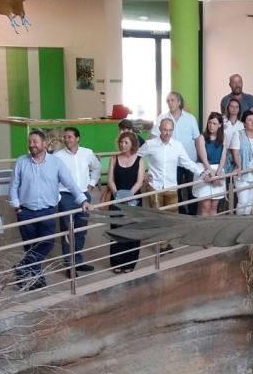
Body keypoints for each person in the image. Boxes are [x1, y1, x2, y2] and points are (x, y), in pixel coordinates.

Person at [9, 130, 91, 290]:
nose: (31, 145)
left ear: (44, 144)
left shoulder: (55, 163)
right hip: (25, 212)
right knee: (30, 247)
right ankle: (37, 279)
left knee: (47, 243)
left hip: (47, 211)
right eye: (30, 142)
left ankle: (21, 268)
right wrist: (17, 206)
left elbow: (71, 184)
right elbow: (13, 186)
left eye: (35, 142)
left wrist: (83, 200)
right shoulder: (21, 162)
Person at [138, 118, 212, 243]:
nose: (167, 133)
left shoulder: (177, 146)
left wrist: (202, 172)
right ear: (160, 130)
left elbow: (188, 163)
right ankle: (161, 246)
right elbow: (137, 157)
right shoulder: (150, 144)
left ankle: (165, 242)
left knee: (171, 217)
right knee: (157, 217)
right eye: (165, 130)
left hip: (171, 187)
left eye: (170, 130)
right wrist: (143, 174)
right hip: (155, 186)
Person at [55, 127, 101, 276]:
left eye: (69, 137)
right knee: (68, 231)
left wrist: (92, 183)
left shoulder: (87, 153)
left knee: (81, 230)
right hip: (66, 197)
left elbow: (97, 168)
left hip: (83, 194)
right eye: (65, 137)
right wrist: (58, 195)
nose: (66, 140)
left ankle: (78, 261)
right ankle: (70, 265)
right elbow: (53, 177)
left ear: (77, 138)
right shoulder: (57, 156)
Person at [151, 92, 202, 216]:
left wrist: (200, 159)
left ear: (179, 102)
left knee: (192, 190)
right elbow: (152, 139)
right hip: (171, 163)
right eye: (168, 101)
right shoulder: (161, 118)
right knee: (175, 191)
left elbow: (197, 140)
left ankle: (192, 215)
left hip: (189, 160)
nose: (170, 103)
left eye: (172, 100)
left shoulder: (190, 118)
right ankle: (180, 215)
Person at [107, 131, 144, 273]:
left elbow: (139, 182)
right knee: (116, 230)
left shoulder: (140, 160)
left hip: (134, 199)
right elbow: (110, 180)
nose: (123, 145)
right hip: (117, 198)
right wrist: (117, 194)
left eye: (126, 142)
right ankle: (116, 263)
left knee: (133, 231)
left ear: (133, 144)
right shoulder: (114, 158)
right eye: (121, 142)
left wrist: (129, 195)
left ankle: (130, 263)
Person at [229, 110, 253, 215]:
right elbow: (235, 152)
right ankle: (238, 223)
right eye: (249, 120)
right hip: (242, 172)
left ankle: (246, 222)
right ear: (244, 123)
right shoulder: (238, 134)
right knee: (243, 201)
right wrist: (239, 166)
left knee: (250, 202)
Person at [194, 112, 228, 216]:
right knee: (205, 206)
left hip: (218, 170)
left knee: (214, 207)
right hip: (204, 169)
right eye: (209, 123)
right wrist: (213, 177)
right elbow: (204, 159)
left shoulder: (224, 137)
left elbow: (223, 157)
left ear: (220, 125)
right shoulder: (201, 138)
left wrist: (218, 175)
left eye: (214, 123)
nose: (211, 126)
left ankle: (212, 230)